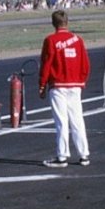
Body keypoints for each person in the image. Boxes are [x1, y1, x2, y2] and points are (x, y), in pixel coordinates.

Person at [37, 9, 91, 168]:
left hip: (58, 86)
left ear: (53, 23)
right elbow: (86, 64)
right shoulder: (78, 39)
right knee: (78, 120)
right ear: (67, 22)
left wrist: (41, 84)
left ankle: (62, 156)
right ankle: (84, 155)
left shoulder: (50, 40)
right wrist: (82, 80)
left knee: (62, 121)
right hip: (75, 85)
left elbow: (46, 64)